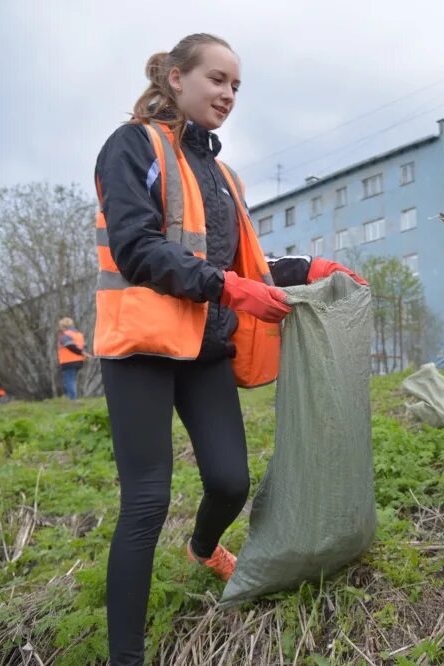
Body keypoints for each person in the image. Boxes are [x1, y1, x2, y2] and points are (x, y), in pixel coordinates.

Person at [93, 33, 364, 665]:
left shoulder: (221, 174)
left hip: (206, 348)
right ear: (175, 77)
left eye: (236, 85)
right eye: (217, 79)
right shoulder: (132, 145)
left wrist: (313, 268)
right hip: (141, 348)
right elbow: (137, 248)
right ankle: (124, 657)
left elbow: (244, 263)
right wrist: (229, 288)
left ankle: (202, 547)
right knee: (146, 501)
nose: (228, 94)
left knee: (229, 480)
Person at [56, 317, 85, 400]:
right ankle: (71, 398)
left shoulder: (65, 335)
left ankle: (72, 399)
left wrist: (79, 352)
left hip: (68, 361)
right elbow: (83, 346)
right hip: (79, 361)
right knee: (72, 379)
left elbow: (69, 345)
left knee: (69, 380)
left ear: (63, 325)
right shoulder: (78, 334)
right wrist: (82, 353)